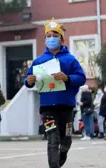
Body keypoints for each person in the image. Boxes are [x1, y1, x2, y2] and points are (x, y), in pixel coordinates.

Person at [24, 18, 86, 168]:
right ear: (45, 39)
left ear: (61, 39)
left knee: (66, 138)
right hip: (47, 106)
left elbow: (81, 78)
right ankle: (54, 165)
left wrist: (67, 78)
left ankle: (63, 152)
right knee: (52, 138)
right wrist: (29, 80)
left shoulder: (70, 60)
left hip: (66, 106)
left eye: (55, 35)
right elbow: (27, 80)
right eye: (49, 36)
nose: (52, 38)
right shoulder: (39, 61)